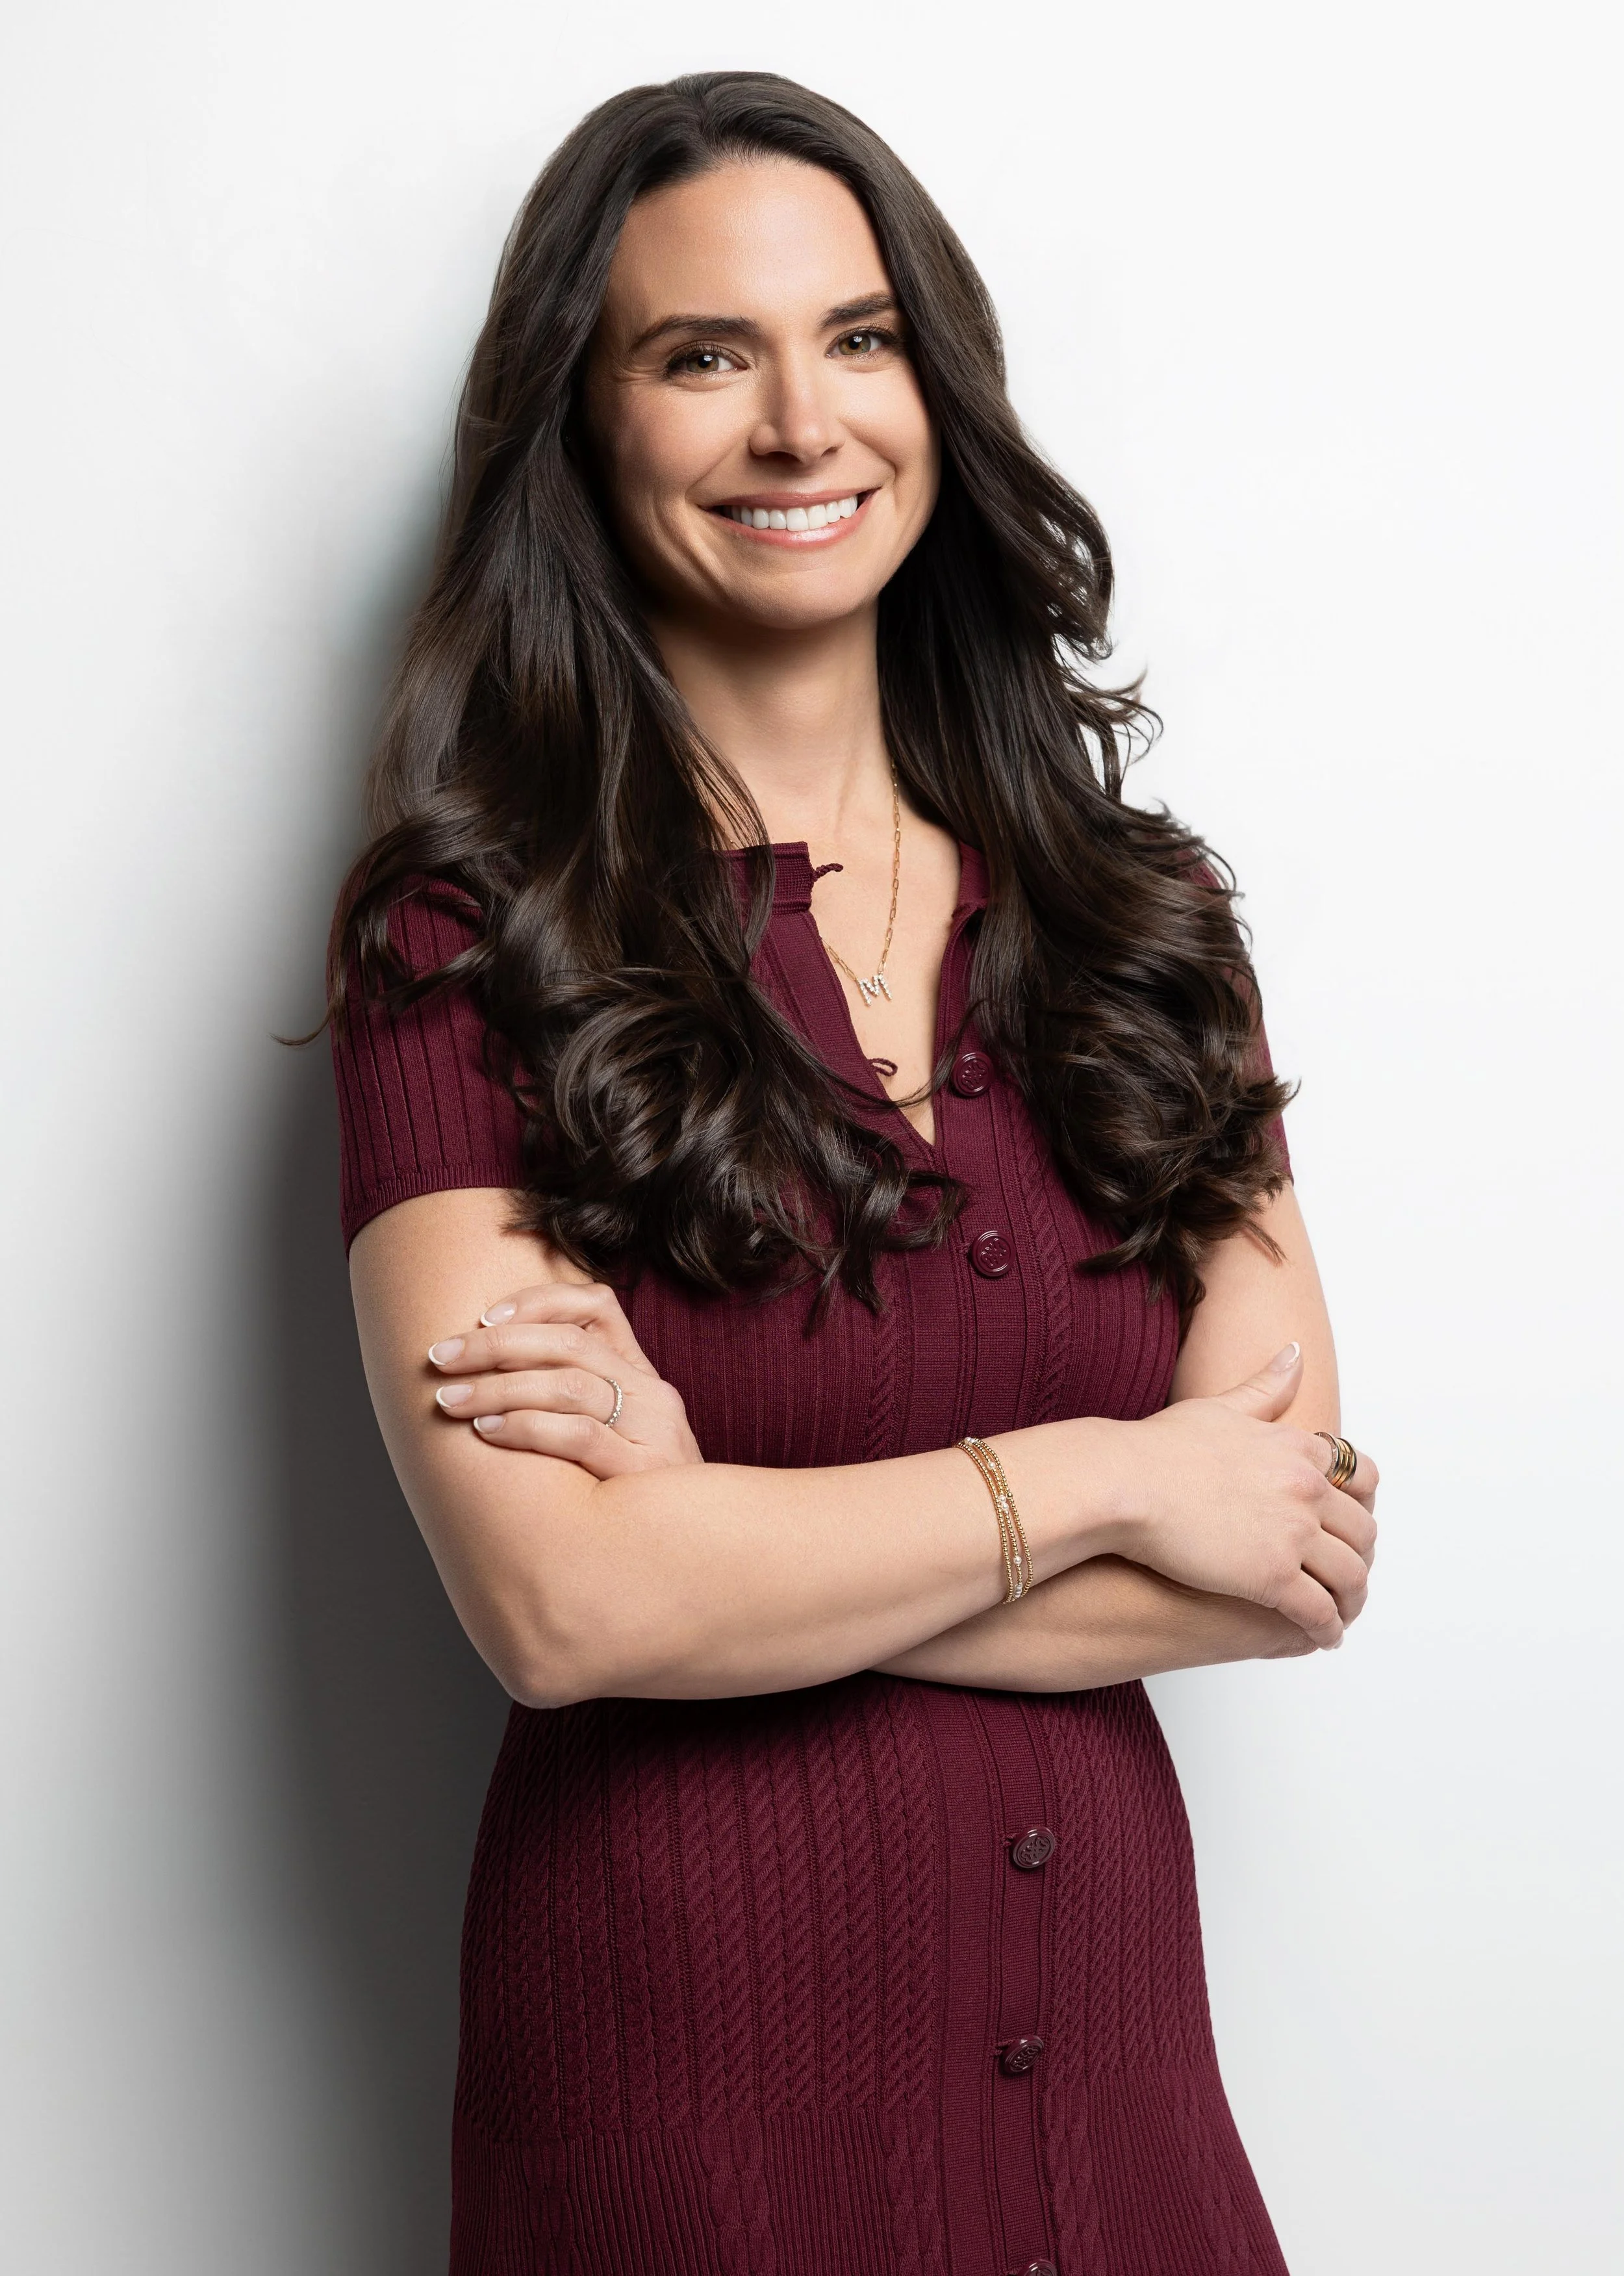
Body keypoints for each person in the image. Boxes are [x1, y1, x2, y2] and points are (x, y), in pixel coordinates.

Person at [329, 69, 1377, 2275]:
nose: (800, 425)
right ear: (588, 433)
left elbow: (1280, 1558)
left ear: (938, 391)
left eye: (859, 339)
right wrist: (1102, 1471)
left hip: (1120, 2129)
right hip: (684, 2121)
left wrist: (723, 1528)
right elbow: (566, 1606)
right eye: (701, 355)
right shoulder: (465, 947)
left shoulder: (1138, 924)